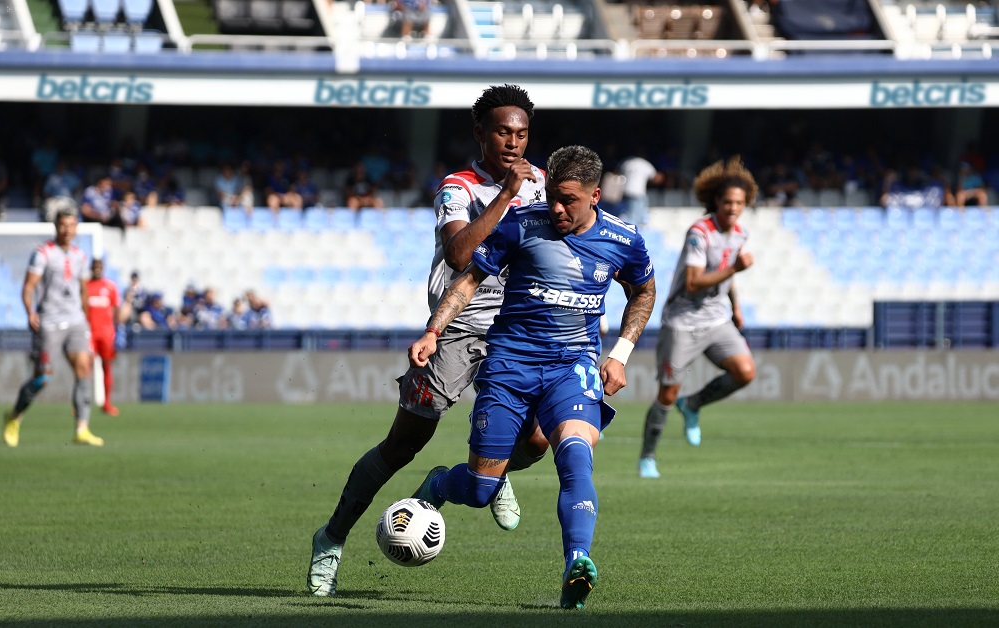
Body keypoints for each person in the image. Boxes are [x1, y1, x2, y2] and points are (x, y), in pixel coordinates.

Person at [308, 84, 548, 597]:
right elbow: (461, 256)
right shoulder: (457, 187)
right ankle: (331, 537)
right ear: (480, 133)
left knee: (537, 439)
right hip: (458, 325)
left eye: (522, 133)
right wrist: (506, 194)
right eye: (503, 131)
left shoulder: (543, 184)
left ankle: (487, 471)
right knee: (402, 446)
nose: (513, 142)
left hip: (517, 327)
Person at [408, 145, 656, 610]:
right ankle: (440, 485)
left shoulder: (624, 238)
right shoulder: (522, 224)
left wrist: (620, 353)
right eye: (554, 198)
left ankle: (576, 563)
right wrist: (433, 331)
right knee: (480, 489)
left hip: (574, 365)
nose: (557, 208)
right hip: (510, 365)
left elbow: (643, 290)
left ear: (595, 196)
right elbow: (467, 280)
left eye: (569, 200)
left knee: (575, 456)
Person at [638, 155, 758, 480]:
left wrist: (735, 305)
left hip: (717, 319)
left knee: (745, 372)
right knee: (667, 394)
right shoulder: (699, 232)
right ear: (715, 201)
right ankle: (648, 457)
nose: (733, 208)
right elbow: (693, 282)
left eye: (739, 203)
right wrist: (735, 269)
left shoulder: (739, 235)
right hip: (683, 320)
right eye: (728, 201)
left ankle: (693, 405)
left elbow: (726, 277)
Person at [3, 208, 103, 447]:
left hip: (76, 321)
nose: (67, 230)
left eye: (71, 225)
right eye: (63, 225)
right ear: (56, 227)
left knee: (83, 369)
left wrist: (86, 318)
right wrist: (30, 312)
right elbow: (28, 287)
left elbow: (83, 290)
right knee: (42, 378)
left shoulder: (80, 255)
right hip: (49, 322)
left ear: (77, 227)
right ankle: (14, 416)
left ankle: (82, 428)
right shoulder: (43, 254)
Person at [86, 258, 128, 417]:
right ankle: (82, 403)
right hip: (89, 334)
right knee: (85, 369)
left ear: (103, 268)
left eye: (99, 266)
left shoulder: (110, 287)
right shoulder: (85, 286)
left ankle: (107, 403)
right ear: (91, 268)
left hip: (106, 334)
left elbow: (116, 309)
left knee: (107, 367)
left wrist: (118, 330)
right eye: (94, 266)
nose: (97, 269)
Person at [617, 149, 665, 227]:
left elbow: (617, 174)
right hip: (637, 193)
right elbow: (656, 178)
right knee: (635, 217)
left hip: (624, 192)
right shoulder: (644, 164)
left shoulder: (626, 162)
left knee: (625, 213)